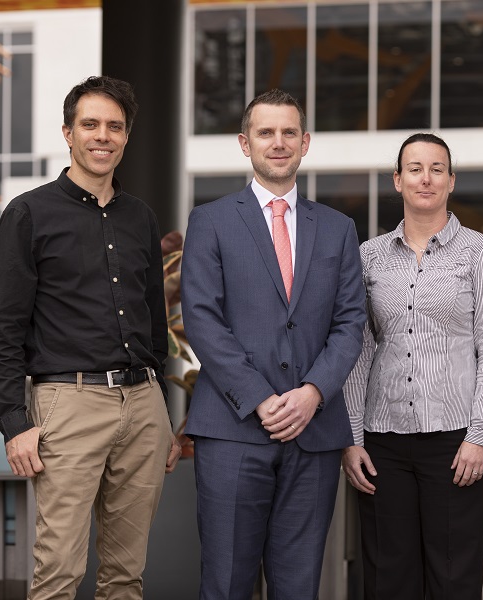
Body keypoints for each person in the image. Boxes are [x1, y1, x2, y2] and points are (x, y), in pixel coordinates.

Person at [0, 75, 181, 599]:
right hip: (67, 404)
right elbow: (2, 329)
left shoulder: (140, 217)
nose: (102, 136)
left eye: (115, 126)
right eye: (90, 124)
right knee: (58, 576)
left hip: (141, 405)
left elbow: (153, 320)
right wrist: (13, 421)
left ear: (126, 137)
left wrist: (158, 411)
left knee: (125, 576)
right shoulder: (29, 214)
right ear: (67, 132)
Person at [181, 89, 367, 600]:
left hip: (315, 431)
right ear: (246, 144)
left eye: (289, 132)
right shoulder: (211, 221)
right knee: (227, 583)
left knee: (299, 584)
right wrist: (261, 398)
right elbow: (201, 319)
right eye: (266, 132)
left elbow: (351, 323)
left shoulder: (337, 228)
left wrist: (313, 392)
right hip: (234, 428)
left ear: (305, 142)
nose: (278, 142)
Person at [342, 133, 483, 600]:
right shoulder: (368, 257)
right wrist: (353, 438)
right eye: (415, 168)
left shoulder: (480, 253)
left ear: (451, 180)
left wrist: (480, 436)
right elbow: (357, 353)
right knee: (388, 578)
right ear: (398, 180)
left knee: (453, 578)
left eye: (437, 169)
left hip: (454, 442)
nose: (426, 178)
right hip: (383, 442)